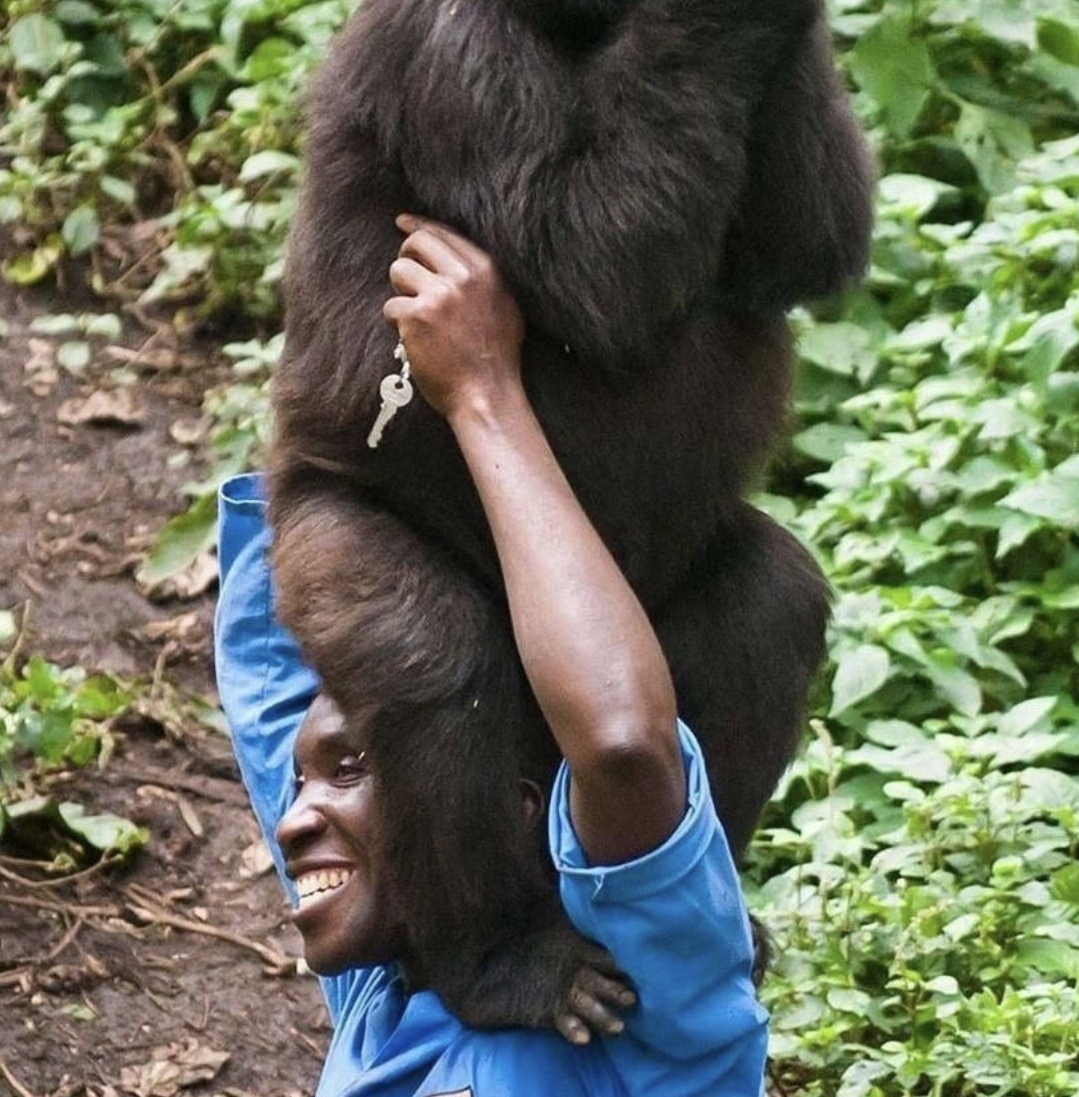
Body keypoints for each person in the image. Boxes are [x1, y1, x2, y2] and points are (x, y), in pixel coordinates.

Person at [215, 216, 769, 1095]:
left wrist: (485, 393)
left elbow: (621, 740)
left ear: (508, 812)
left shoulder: (646, 997)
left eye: (349, 768)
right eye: (306, 782)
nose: (288, 821)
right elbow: (272, 655)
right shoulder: (387, 983)